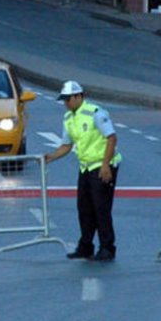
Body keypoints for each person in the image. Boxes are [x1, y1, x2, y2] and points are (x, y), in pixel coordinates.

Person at [44, 81, 122, 262]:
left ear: (79, 96)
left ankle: (107, 247)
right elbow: (66, 145)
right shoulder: (68, 118)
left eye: (68, 99)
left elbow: (111, 138)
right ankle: (86, 246)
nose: (66, 103)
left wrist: (105, 165)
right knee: (84, 208)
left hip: (102, 165)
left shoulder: (95, 113)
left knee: (101, 208)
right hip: (86, 166)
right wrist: (50, 157)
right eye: (64, 100)